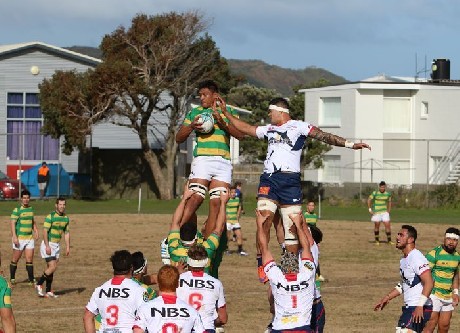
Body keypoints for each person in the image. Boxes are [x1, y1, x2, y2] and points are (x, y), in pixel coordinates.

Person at [219, 97, 370, 282]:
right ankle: (262, 263)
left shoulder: (299, 126)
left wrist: (350, 144)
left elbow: (324, 136)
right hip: (270, 179)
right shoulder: (270, 129)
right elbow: (247, 128)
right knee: (264, 219)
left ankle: (289, 270)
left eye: (270, 111)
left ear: (280, 111)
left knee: (290, 231)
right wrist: (226, 113)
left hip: (290, 182)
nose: (268, 115)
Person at [175, 80, 244, 241]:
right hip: (202, 160)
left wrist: (221, 121)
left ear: (215, 95)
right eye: (200, 95)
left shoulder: (229, 111)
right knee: (194, 199)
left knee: (217, 204)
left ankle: (206, 248)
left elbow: (240, 135)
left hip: (223, 162)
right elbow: (179, 138)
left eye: (205, 94)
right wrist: (191, 126)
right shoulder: (195, 113)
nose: (201, 98)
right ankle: (180, 239)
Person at [257, 209, 316, 333]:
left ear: (282, 268)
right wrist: (298, 226)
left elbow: (264, 248)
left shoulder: (276, 276)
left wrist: (260, 225)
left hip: (280, 328)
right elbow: (306, 247)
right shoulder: (307, 274)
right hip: (302, 328)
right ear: (298, 265)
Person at [374, 225, 434, 332]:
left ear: (411, 239)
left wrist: (420, 306)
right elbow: (405, 284)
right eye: (398, 234)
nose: (397, 237)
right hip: (410, 307)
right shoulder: (404, 260)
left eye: (401, 235)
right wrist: (387, 297)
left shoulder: (416, 258)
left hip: (419, 306)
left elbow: (429, 282)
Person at [167, 182, 229, 276]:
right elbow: (219, 228)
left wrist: (184, 199)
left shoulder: (174, 248)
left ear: (179, 236)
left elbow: (175, 222)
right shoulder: (205, 251)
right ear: (196, 238)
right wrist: (223, 203)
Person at [83, 250, 148, 333]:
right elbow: (146, 317)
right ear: (132, 267)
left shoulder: (100, 290)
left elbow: (87, 316)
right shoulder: (138, 290)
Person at [133, 265, 206, 333]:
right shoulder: (192, 311)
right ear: (178, 284)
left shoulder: (145, 308)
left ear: (158, 283)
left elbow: (137, 331)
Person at [176, 243, 228, 333]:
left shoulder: (177, 280)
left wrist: (177, 273)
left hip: (183, 328)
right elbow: (223, 319)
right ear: (206, 261)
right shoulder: (216, 283)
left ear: (188, 261)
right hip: (206, 328)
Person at [424, 227, 460, 333]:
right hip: (434, 294)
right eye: (449, 239)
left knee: (444, 326)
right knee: (430, 324)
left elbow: (456, 276)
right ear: (444, 238)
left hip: (448, 296)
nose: (451, 242)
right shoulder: (434, 254)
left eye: (455, 240)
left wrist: (456, 292)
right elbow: (424, 274)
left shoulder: (457, 257)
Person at [34, 197, 70, 298]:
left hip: (57, 245)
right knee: (53, 266)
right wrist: (47, 245)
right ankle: (38, 284)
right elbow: (45, 231)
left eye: (64, 204)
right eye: (60, 204)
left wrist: (67, 247)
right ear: (56, 205)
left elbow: (66, 233)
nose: (62, 206)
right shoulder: (50, 216)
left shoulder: (66, 218)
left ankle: (49, 291)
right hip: (48, 244)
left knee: (51, 268)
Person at [9, 189, 39, 285]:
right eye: (24, 198)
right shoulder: (17, 210)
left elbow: (32, 221)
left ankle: (31, 279)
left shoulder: (30, 209)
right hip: (20, 238)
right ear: (21, 199)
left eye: (27, 198)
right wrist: (14, 236)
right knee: (15, 259)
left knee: (29, 259)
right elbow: (12, 223)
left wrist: (36, 230)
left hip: (29, 238)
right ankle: (12, 278)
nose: (26, 200)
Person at [303, 202, 325, 283]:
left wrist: (317, 242)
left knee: (315, 257)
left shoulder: (315, 216)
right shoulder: (304, 215)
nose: (312, 207)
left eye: (313, 205)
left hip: (313, 239)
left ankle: (318, 275)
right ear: (307, 207)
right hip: (306, 238)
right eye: (310, 205)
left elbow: (314, 229)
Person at [368, 181, 393, 245]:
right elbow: (369, 199)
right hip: (377, 212)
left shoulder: (388, 194)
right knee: (377, 226)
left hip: (384, 212)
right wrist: (370, 209)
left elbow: (389, 201)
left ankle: (389, 241)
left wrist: (389, 210)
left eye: (383, 187)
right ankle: (377, 240)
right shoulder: (375, 193)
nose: (382, 188)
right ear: (379, 187)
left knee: (387, 225)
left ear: (385, 187)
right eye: (381, 187)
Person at [225, 185, 247, 255]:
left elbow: (239, 206)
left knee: (239, 235)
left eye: (235, 192)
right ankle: (226, 250)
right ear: (229, 193)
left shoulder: (237, 199)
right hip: (228, 221)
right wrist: (225, 216)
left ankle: (240, 250)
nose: (234, 194)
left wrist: (238, 215)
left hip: (235, 221)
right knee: (227, 237)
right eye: (232, 192)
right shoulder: (226, 199)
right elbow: (222, 208)